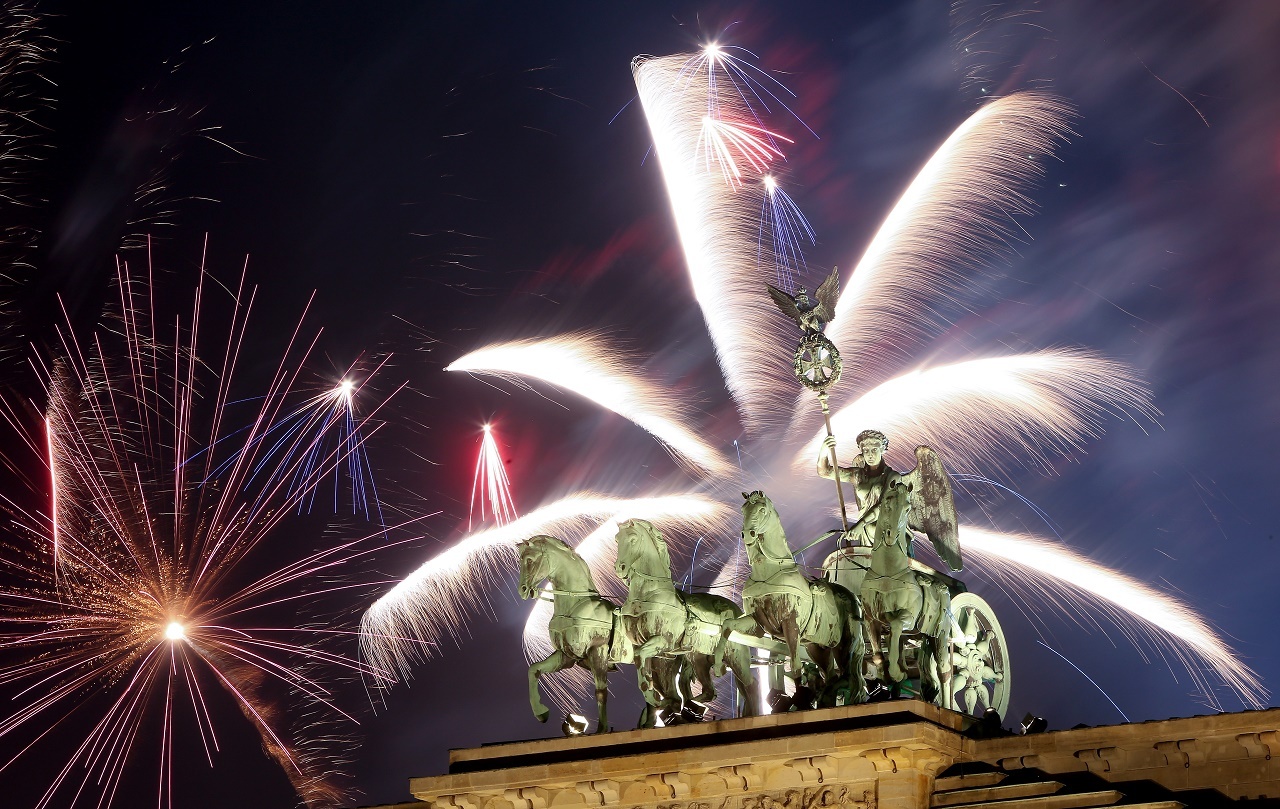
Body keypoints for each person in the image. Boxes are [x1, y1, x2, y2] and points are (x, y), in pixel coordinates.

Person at [817, 428, 907, 551]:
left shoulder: (893, 477)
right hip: (864, 528)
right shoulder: (858, 475)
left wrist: (860, 525)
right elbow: (825, 472)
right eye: (866, 450)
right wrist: (824, 450)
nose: (870, 454)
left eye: (874, 450)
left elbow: (883, 505)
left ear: (882, 450)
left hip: (884, 530)